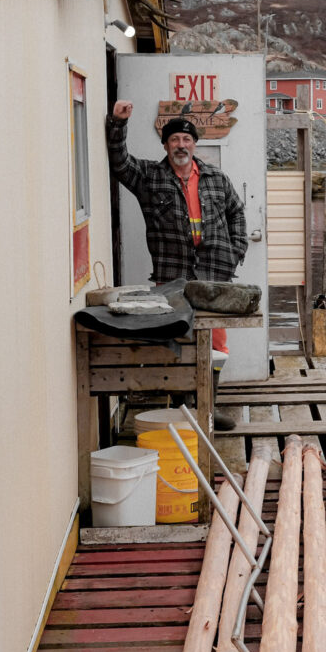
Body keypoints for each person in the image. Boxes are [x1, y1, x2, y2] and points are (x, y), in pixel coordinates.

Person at [107, 100, 248, 428]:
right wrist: (118, 123)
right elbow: (119, 161)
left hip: (214, 277)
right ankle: (186, 411)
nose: (181, 145)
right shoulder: (149, 177)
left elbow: (236, 213)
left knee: (216, 344)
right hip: (172, 277)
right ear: (166, 145)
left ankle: (208, 409)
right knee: (180, 342)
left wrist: (236, 251)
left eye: (186, 140)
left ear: (195, 144)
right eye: (174, 140)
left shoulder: (216, 177)